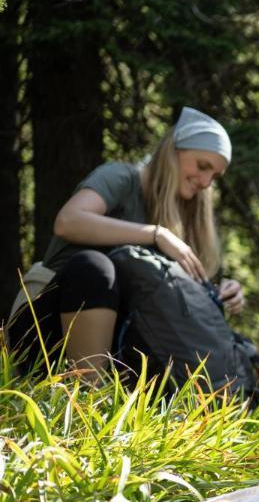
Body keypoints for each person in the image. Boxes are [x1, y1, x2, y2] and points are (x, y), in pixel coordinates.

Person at [6, 107, 244, 377]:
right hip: (41, 329)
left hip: (118, 341)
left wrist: (220, 292)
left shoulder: (185, 213)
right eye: (202, 166)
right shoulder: (122, 178)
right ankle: (88, 402)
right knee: (95, 268)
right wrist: (156, 233)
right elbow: (68, 221)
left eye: (214, 176)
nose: (205, 182)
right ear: (173, 151)